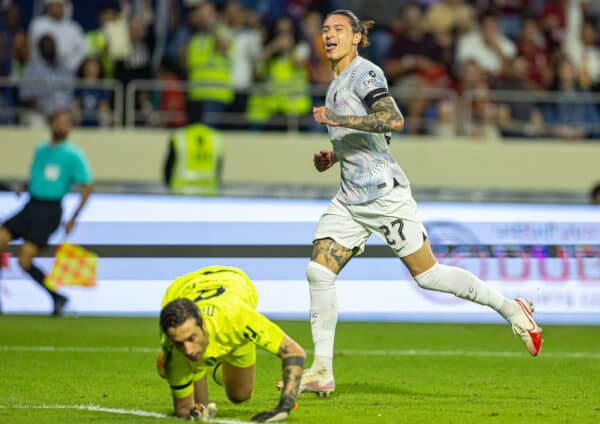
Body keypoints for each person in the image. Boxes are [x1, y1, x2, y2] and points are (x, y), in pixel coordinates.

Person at [291, 9, 543, 397]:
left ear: (357, 37)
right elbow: (376, 141)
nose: (329, 35)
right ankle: (322, 370)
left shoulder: (365, 73)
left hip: (384, 195)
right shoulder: (336, 79)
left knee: (428, 276)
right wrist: (335, 155)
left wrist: (338, 118)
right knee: (319, 272)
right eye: (325, 29)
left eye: (339, 30)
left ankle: (512, 309)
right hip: (350, 198)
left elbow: (392, 121)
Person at [158, 265, 305, 422]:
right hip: (182, 287)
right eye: (180, 343)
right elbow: (183, 408)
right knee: (200, 408)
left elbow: (294, 352)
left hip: (232, 280)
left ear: (203, 325)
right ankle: (186, 367)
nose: (187, 350)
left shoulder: (239, 318)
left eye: (192, 338)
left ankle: (215, 364)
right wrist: (191, 411)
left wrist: (283, 408)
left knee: (239, 395)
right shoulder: (172, 346)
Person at [0, 110, 93, 316]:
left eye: (65, 123)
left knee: (24, 260)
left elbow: (87, 187)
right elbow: (37, 175)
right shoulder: (40, 150)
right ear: (51, 124)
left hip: (50, 210)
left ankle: (56, 297)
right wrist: (24, 186)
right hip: (31, 205)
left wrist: (73, 218)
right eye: (58, 122)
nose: (61, 126)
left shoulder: (73, 155)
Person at [163, 123, 224, 196]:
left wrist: (168, 186)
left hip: (180, 193)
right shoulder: (215, 136)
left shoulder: (179, 136)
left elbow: (169, 165)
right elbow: (219, 167)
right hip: (208, 193)